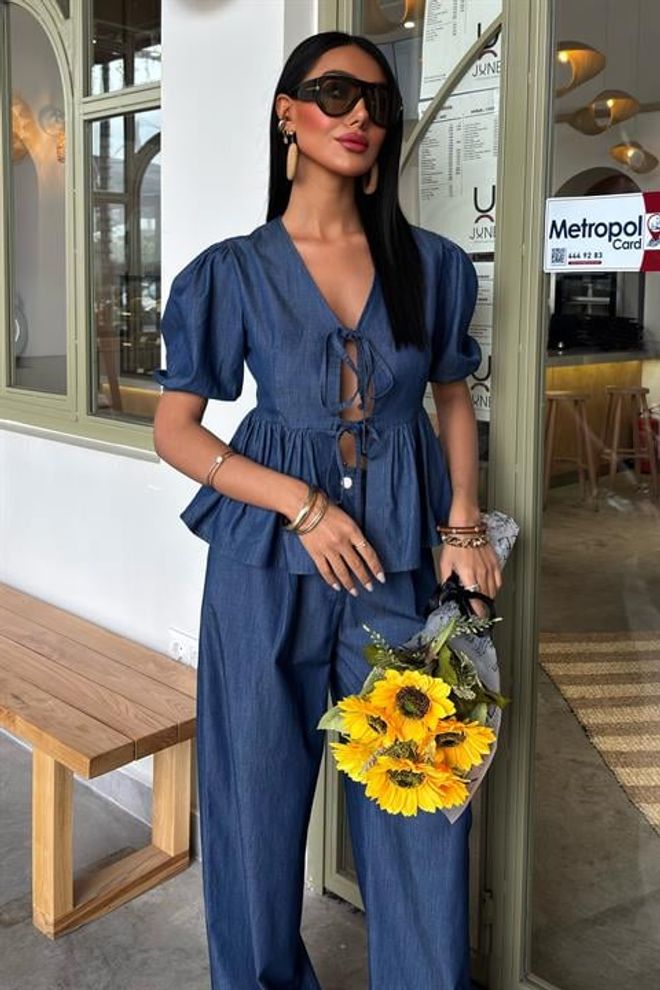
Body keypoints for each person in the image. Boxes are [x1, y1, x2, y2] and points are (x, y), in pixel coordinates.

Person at [153, 29, 502, 990]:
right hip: (266, 569)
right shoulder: (230, 272)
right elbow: (176, 430)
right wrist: (301, 504)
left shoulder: (432, 266)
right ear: (288, 112)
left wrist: (464, 523)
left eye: (378, 104)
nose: (359, 117)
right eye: (336, 93)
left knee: (423, 798)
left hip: (400, 569)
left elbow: (451, 395)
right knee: (253, 805)